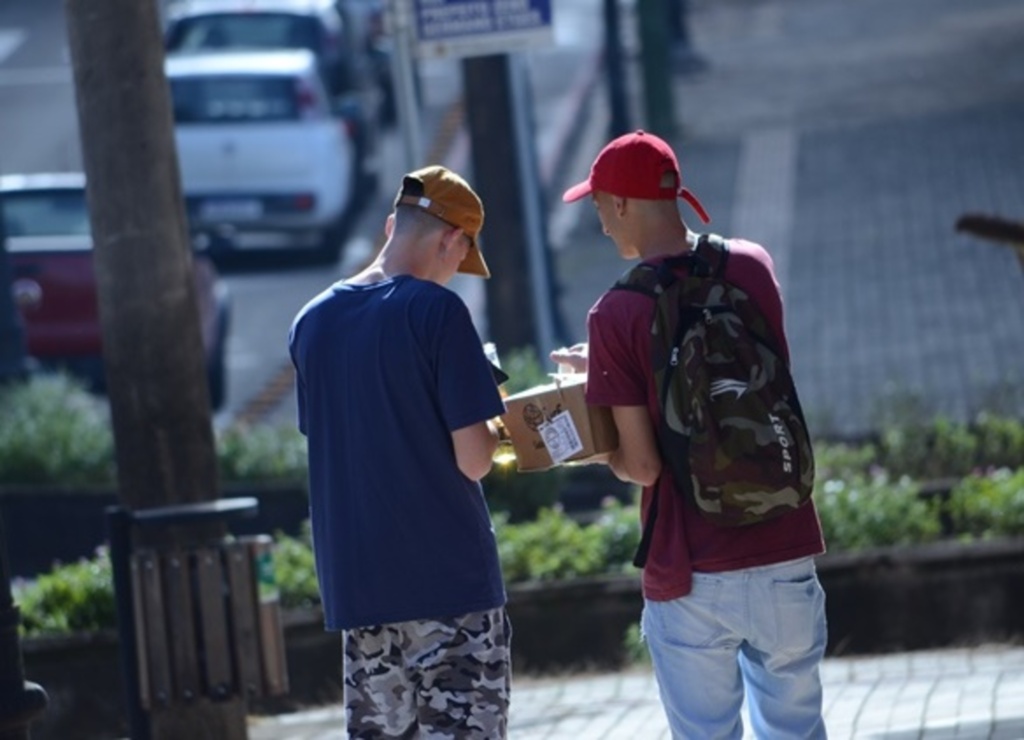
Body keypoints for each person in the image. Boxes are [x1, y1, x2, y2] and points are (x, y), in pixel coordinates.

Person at [554, 130, 828, 739]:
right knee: (798, 729)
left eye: (599, 207)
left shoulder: (617, 312)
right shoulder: (752, 266)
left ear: (622, 204)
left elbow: (644, 466)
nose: (600, 224)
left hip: (691, 568)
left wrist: (600, 440)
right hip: (785, 545)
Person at [288, 165, 512, 738]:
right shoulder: (437, 313)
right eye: (459, 259)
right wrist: (493, 415)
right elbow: (474, 459)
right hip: (450, 589)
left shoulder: (310, 323)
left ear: (393, 224)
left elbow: (347, 441)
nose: (453, 273)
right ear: (451, 240)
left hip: (361, 594)